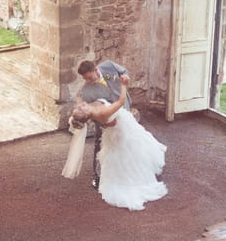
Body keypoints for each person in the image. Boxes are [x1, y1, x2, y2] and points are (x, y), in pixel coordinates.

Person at [62, 78, 167, 211]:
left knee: (138, 144)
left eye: (78, 107)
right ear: (86, 115)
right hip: (122, 129)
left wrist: (85, 81)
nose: (80, 106)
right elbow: (121, 102)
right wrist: (123, 85)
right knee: (132, 151)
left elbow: (78, 95)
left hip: (118, 127)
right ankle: (139, 176)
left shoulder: (86, 108)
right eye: (80, 109)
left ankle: (146, 167)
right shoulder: (101, 113)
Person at [76, 60, 131, 189]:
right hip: (105, 120)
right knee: (100, 145)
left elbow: (123, 71)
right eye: (85, 79)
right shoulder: (87, 90)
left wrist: (125, 76)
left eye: (89, 77)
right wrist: (104, 123)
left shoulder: (109, 65)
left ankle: (124, 172)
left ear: (96, 70)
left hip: (125, 111)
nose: (88, 81)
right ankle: (97, 175)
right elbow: (90, 112)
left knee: (126, 142)